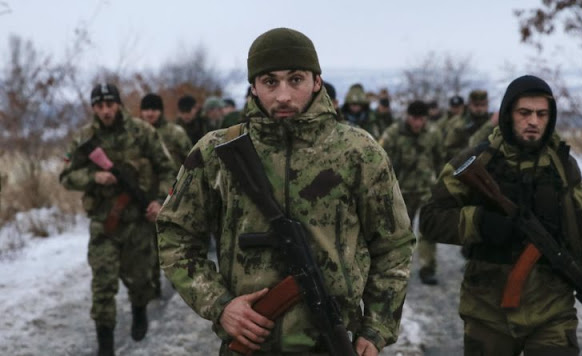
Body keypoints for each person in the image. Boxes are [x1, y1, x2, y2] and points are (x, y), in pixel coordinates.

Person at [157, 27, 415, 356]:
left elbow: (394, 246)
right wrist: (221, 306)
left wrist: (377, 327)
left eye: (295, 79)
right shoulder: (216, 152)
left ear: (316, 81)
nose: (283, 96)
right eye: (270, 82)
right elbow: (174, 235)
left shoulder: (359, 152)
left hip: (331, 343)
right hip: (250, 346)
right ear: (253, 86)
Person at [420, 75, 582, 355]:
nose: (533, 121)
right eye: (524, 113)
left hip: (552, 310)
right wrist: (480, 223)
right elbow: (430, 219)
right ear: (509, 114)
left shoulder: (563, 166)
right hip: (487, 310)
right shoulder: (478, 161)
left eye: (541, 114)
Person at [60, 84, 176, 355]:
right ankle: (105, 346)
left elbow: (168, 169)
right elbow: (65, 177)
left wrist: (160, 201)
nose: (105, 111)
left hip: (137, 222)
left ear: (118, 104)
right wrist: (93, 177)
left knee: (140, 281)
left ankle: (139, 311)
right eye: (99, 106)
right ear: (93, 108)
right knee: (103, 286)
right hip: (104, 224)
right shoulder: (84, 139)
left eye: (110, 105)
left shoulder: (141, 132)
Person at [379, 100, 443, 285]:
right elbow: (379, 161)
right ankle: (396, 269)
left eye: (421, 119)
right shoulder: (393, 133)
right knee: (399, 234)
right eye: (414, 118)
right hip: (401, 192)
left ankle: (427, 268)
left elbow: (440, 159)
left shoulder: (433, 133)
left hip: (426, 190)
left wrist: (441, 186)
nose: (417, 123)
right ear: (408, 116)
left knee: (428, 231)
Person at [139, 93, 192, 297]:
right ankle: (153, 285)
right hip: (145, 196)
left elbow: (190, 161)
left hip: (174, 194)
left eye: (154, 109)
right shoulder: (138, 133)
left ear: (160, 110)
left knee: (172, 241)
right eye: (146, 109)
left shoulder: (175, 132)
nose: (150, 113)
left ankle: (180, 279)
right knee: (148, 245)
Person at [442, 89, 491, 161]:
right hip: (464, 164)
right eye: (476, 105)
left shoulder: (491, 120)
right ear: (470, 105)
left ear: (487, 105)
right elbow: (448, 150)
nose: (479, 108)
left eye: (483, 105)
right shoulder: (459, 122)